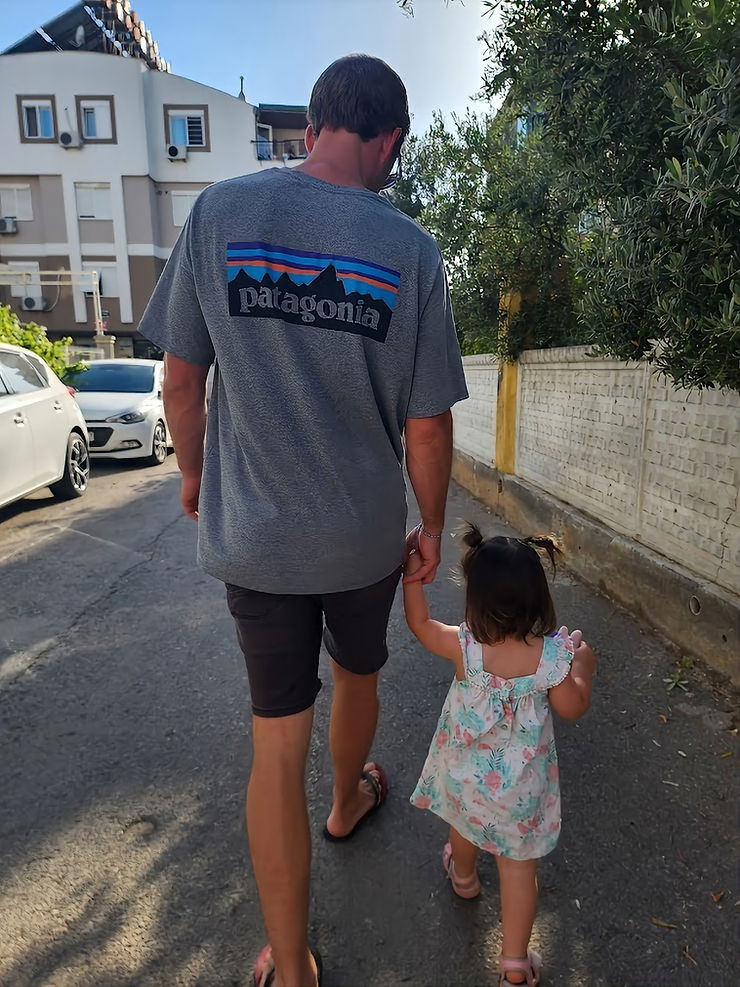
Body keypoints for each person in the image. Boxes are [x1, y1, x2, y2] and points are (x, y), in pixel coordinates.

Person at [138, 55, 468, 987]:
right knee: (359, 669)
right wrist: (433, 525)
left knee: (273, 741)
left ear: (316, 120)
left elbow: (182, 377)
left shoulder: (219, 215)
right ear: (388, 141)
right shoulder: (409, 251)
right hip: (363, 537)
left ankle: (291, 965)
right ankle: (349, 801)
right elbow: (429, 420)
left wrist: (196, 477)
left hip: (257, 538)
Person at [404, 524, 596, 987]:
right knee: (518, 869)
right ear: (539, 601)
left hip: (468, 778)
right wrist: (582, 666)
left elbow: (421, 626)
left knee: (465, 823)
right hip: (523, 790)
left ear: (475, 600)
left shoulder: (464, 647)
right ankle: (513, 964)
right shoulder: (552, 658)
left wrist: (412, 582)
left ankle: (464, 876)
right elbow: (572, 707)